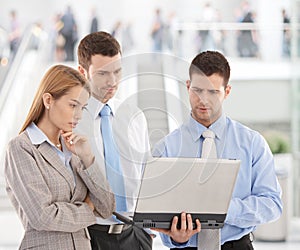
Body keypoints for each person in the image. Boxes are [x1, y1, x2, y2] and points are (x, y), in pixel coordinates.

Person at [152, 51, 283, 249]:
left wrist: (224, 209)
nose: (204, 100)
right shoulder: (166, 148)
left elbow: (272, 204)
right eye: (197, 90)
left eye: (213, 92)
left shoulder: (252, 143)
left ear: (227, 91)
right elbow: (157, 210)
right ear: (188, 87)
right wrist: (177, 238)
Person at [4, 64, 115, 250]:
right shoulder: (21, 148)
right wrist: (88, 209)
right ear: (48, 100)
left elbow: (106, 207)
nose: (78, 115)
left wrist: (87, 158)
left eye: (83, 108)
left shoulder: (75, 149)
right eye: (73, 105)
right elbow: (43, 217)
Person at [76, 31, 153, 250]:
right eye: (102, 74)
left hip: (135, 235)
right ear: (83, 72)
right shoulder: (72, 122)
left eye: (117, 71)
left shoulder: (135, 116)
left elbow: (146, 175)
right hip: (90, 236)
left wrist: (145, 230)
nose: (112, 81)